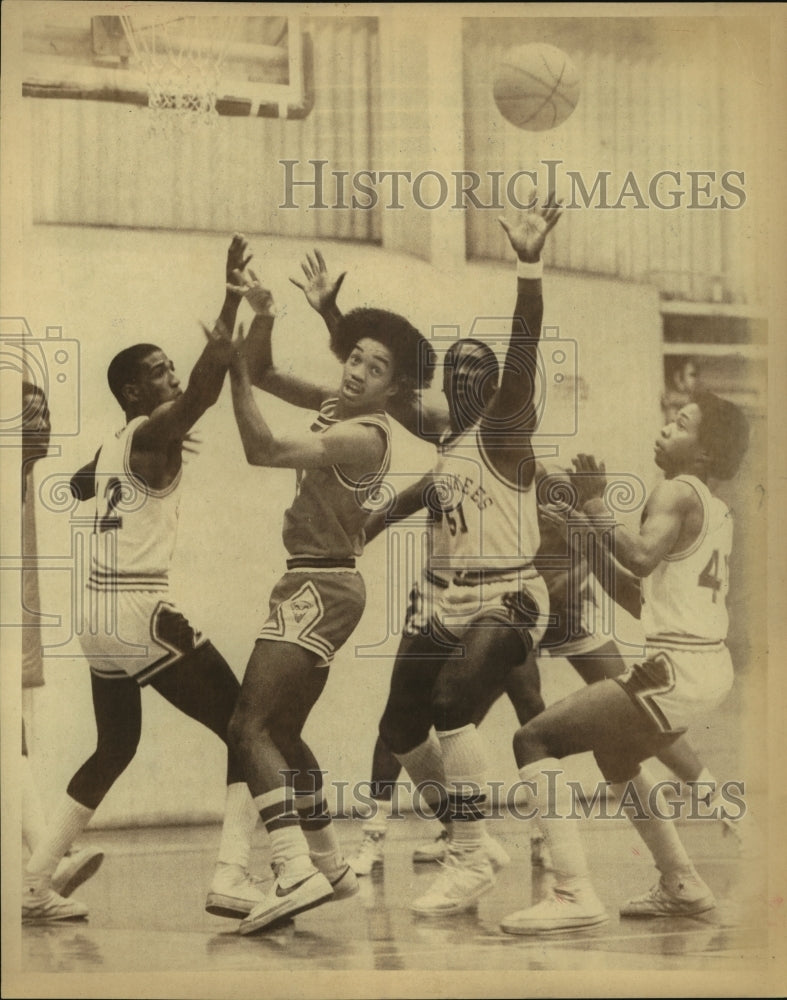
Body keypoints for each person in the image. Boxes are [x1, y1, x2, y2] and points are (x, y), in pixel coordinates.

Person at [22, 235, 264, 924]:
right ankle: (232, 874)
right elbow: (205, 392)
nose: (171, 379)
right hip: (136, 607)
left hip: (93, 618)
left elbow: (72, 484)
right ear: (135, 390)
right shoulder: (154, 431)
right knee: (250, 725)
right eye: (159, 372)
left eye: (168, 369)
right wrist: (230, 299)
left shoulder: (111, 444)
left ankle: (38, 881)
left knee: (116, 744)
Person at [221, 258, 435, 935]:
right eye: (356, 359)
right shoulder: (339, 406)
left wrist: (223, 366)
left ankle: (292, 868)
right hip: (319, 579)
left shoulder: (361, 434)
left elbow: (260, 446)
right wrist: (264, 313)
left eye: (375, 369)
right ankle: (331, 866)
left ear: (393, 389)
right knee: (281, 732)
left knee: (245, 727)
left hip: (320, 584)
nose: (356, 371)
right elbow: (265, 374)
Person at [365, 195, 562, 917]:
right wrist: (335, 319)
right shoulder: (447, 442)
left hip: (508, 594)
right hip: (447, 598)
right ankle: (466, 829)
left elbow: (523, 345)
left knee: (455, 702)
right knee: (399, 723)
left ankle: (473, 852)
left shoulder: (506, 430)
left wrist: (528, 261)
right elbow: (388, 402)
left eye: (474, 369)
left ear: (495, 387)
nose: (463, 376)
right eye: (454, 368)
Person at [499, 390, 750, 935]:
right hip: (704, 668)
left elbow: (636, 555)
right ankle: (681, 883)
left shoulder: (675, 491)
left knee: (532, 741)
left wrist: (594, 504)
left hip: (676, 669)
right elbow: (637, 596)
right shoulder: (715, 507)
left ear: (703, 454)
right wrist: (582, 532)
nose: (666, 426)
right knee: (615, 753)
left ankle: (572, 894)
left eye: (681, 423)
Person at [20, 382, 105, 904]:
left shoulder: (23, 479)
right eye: (31, 414)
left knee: (14, 740)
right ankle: (42, 867)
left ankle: (40, 873)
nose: (44, 423)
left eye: (46, 411)